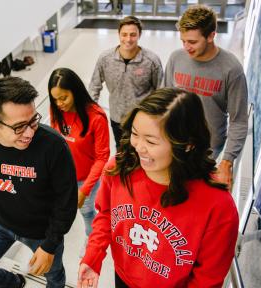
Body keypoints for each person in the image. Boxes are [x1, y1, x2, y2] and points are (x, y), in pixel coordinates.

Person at [77, 88, 239, 288]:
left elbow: (207, 278)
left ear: (187, 144)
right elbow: (106, 215)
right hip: (124, 278)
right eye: (135, 134)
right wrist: (92, 257)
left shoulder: (218, 206)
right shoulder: (119, 168)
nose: (138, 147)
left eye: (151, 141)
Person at [0, 76, 78, 288]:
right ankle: (13, 282)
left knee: (54, 276)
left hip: (42, 229)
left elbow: (66, 201)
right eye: (20, 127)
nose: (30, 132)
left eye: (33, 120)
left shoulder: (53, 146)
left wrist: (50, 245)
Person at [164, 4, 248, 188]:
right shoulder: (176, 58)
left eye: (192, 42)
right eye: (183, 41)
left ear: (211, 36)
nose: (186, 47)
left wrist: (227, 161)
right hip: (176, 142)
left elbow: (239, 121)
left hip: (208, 149)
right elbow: (166, 102)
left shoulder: (231, 69)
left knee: (195, 192)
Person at [48, 68, 110, 241]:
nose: (59, 103)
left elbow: (102, 157)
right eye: (55, 99)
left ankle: (91, 239)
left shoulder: (96, 117)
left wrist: (84, 190)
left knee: (87, 212)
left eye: (64, 97)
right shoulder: (56, 110)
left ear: (75, 91)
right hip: (61, 176)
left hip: (86, 178)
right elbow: (54, 141)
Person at [89, 16, 163, 150]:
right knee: (121, 149)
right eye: (124, 34)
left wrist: (157, 117)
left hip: (142, 119)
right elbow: (94, 86)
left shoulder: (151, 61)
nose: (128, 39)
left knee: (141, 151)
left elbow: (161, 91)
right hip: (117, 118)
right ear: (118, 34)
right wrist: (91, 113)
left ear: (139, 35)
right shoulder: (106, 59)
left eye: (133, 35)